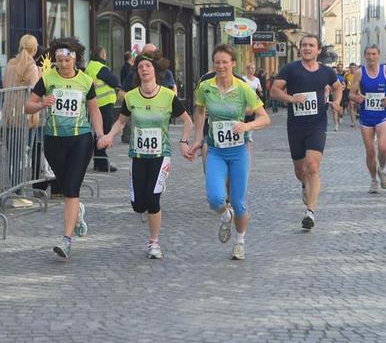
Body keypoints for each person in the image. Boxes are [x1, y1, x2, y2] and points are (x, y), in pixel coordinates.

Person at [97, 53, 194, 259]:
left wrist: (184, 141)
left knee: (152, 200)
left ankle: (154, 243)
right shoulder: (131, 97)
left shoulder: (168, 96)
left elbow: (188, 121)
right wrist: (109, 136)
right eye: (140, 67)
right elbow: (121, 121)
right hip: (138, 156)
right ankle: (150, 198)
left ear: (155, 70)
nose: (144, 69)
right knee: (138, 205)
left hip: (161, 155)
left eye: (148, 66)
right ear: (137, 72)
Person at [185, 44, 270, 260]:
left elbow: (264, 118)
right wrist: (197, 139)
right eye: (217, 62)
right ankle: (225, 216)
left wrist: (247, 126)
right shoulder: (205, 87)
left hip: (239, 151)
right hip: (215, 150)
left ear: (233, 63)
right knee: (215, 198)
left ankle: (240, 242)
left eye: (225, 62)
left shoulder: (243, 89)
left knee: (239, 202)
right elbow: (200, 111)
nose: (221, 66)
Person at [25, 37, 105, 259]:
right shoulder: (47, 78)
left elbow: (94, 110)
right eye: (59, 60)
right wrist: (42, 104)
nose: (63, 64)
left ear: (75, 59)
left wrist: (100, 135)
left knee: (71, 189)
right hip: (54, 140)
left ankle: (66, 240)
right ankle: (76, 211)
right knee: (65, 186)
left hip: (80, 140)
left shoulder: (86, 81)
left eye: (67, 60)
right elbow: (28, 106)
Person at [269, 35, 343, 230]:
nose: (307, 48)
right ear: (300, 49)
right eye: (304, 45)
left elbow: (338, 87)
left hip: (317, 124)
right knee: (300, 170)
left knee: (313, 166)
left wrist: (336, 101)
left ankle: (310, 211)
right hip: (296, 126)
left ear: (318, 50)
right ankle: (304, 184)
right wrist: (291, 99)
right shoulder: (290, 69)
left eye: (311, 45)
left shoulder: (326, 72)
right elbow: (274, 91)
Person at [348, 45, 386, 193]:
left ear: (379, 55)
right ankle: (373, 180)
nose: (371, 57)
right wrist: (357, 98)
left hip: (382, 115)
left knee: (383, 147)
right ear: (365, 56)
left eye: (374, 54)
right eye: (368, 54)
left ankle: (382, 169)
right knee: (370, 151)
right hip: (366, 116)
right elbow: (351, 94)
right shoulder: (359, 73)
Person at [3, 35, 42, 186]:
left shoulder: (10, 64)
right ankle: (19, 189)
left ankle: (14, 186)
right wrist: (41, 76)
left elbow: (5, 85)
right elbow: (36, 92)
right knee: (22, 155)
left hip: (9, 114)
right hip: (25, 115)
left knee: (12, 155)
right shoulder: (31, 66)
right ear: (34, 48)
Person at [86, 46, 122, 173]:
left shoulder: (90, 66)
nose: (106, 56)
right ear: (101, 55)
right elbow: (114, 81)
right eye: (105, 54)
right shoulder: (99, 66)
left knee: (99, 133)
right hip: (104, 104)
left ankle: (99, 161)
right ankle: (101, 161)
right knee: (103, 133)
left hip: (97, 103)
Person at [344, 63, 359, 127]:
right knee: (351, 105)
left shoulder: (358, 75)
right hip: (349, 91)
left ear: (356, 68)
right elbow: (345, 83)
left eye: (354, 68)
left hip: (357, 91)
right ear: (349, 68)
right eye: (351, 68)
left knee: (356, 106)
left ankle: (355, 116)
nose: (352, 69)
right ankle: (353, 122)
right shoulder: (347, 75)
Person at [332, 63, 346, 130]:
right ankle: (336, 125)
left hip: (339, 95)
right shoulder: (329, 78)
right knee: (334, 110)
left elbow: (344, 85)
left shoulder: (340, 77)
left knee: (340, 110)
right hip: (332, 96)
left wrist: (341, 88)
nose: (334, 72)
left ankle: (341, 116)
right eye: (333, 71)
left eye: (335, 71)